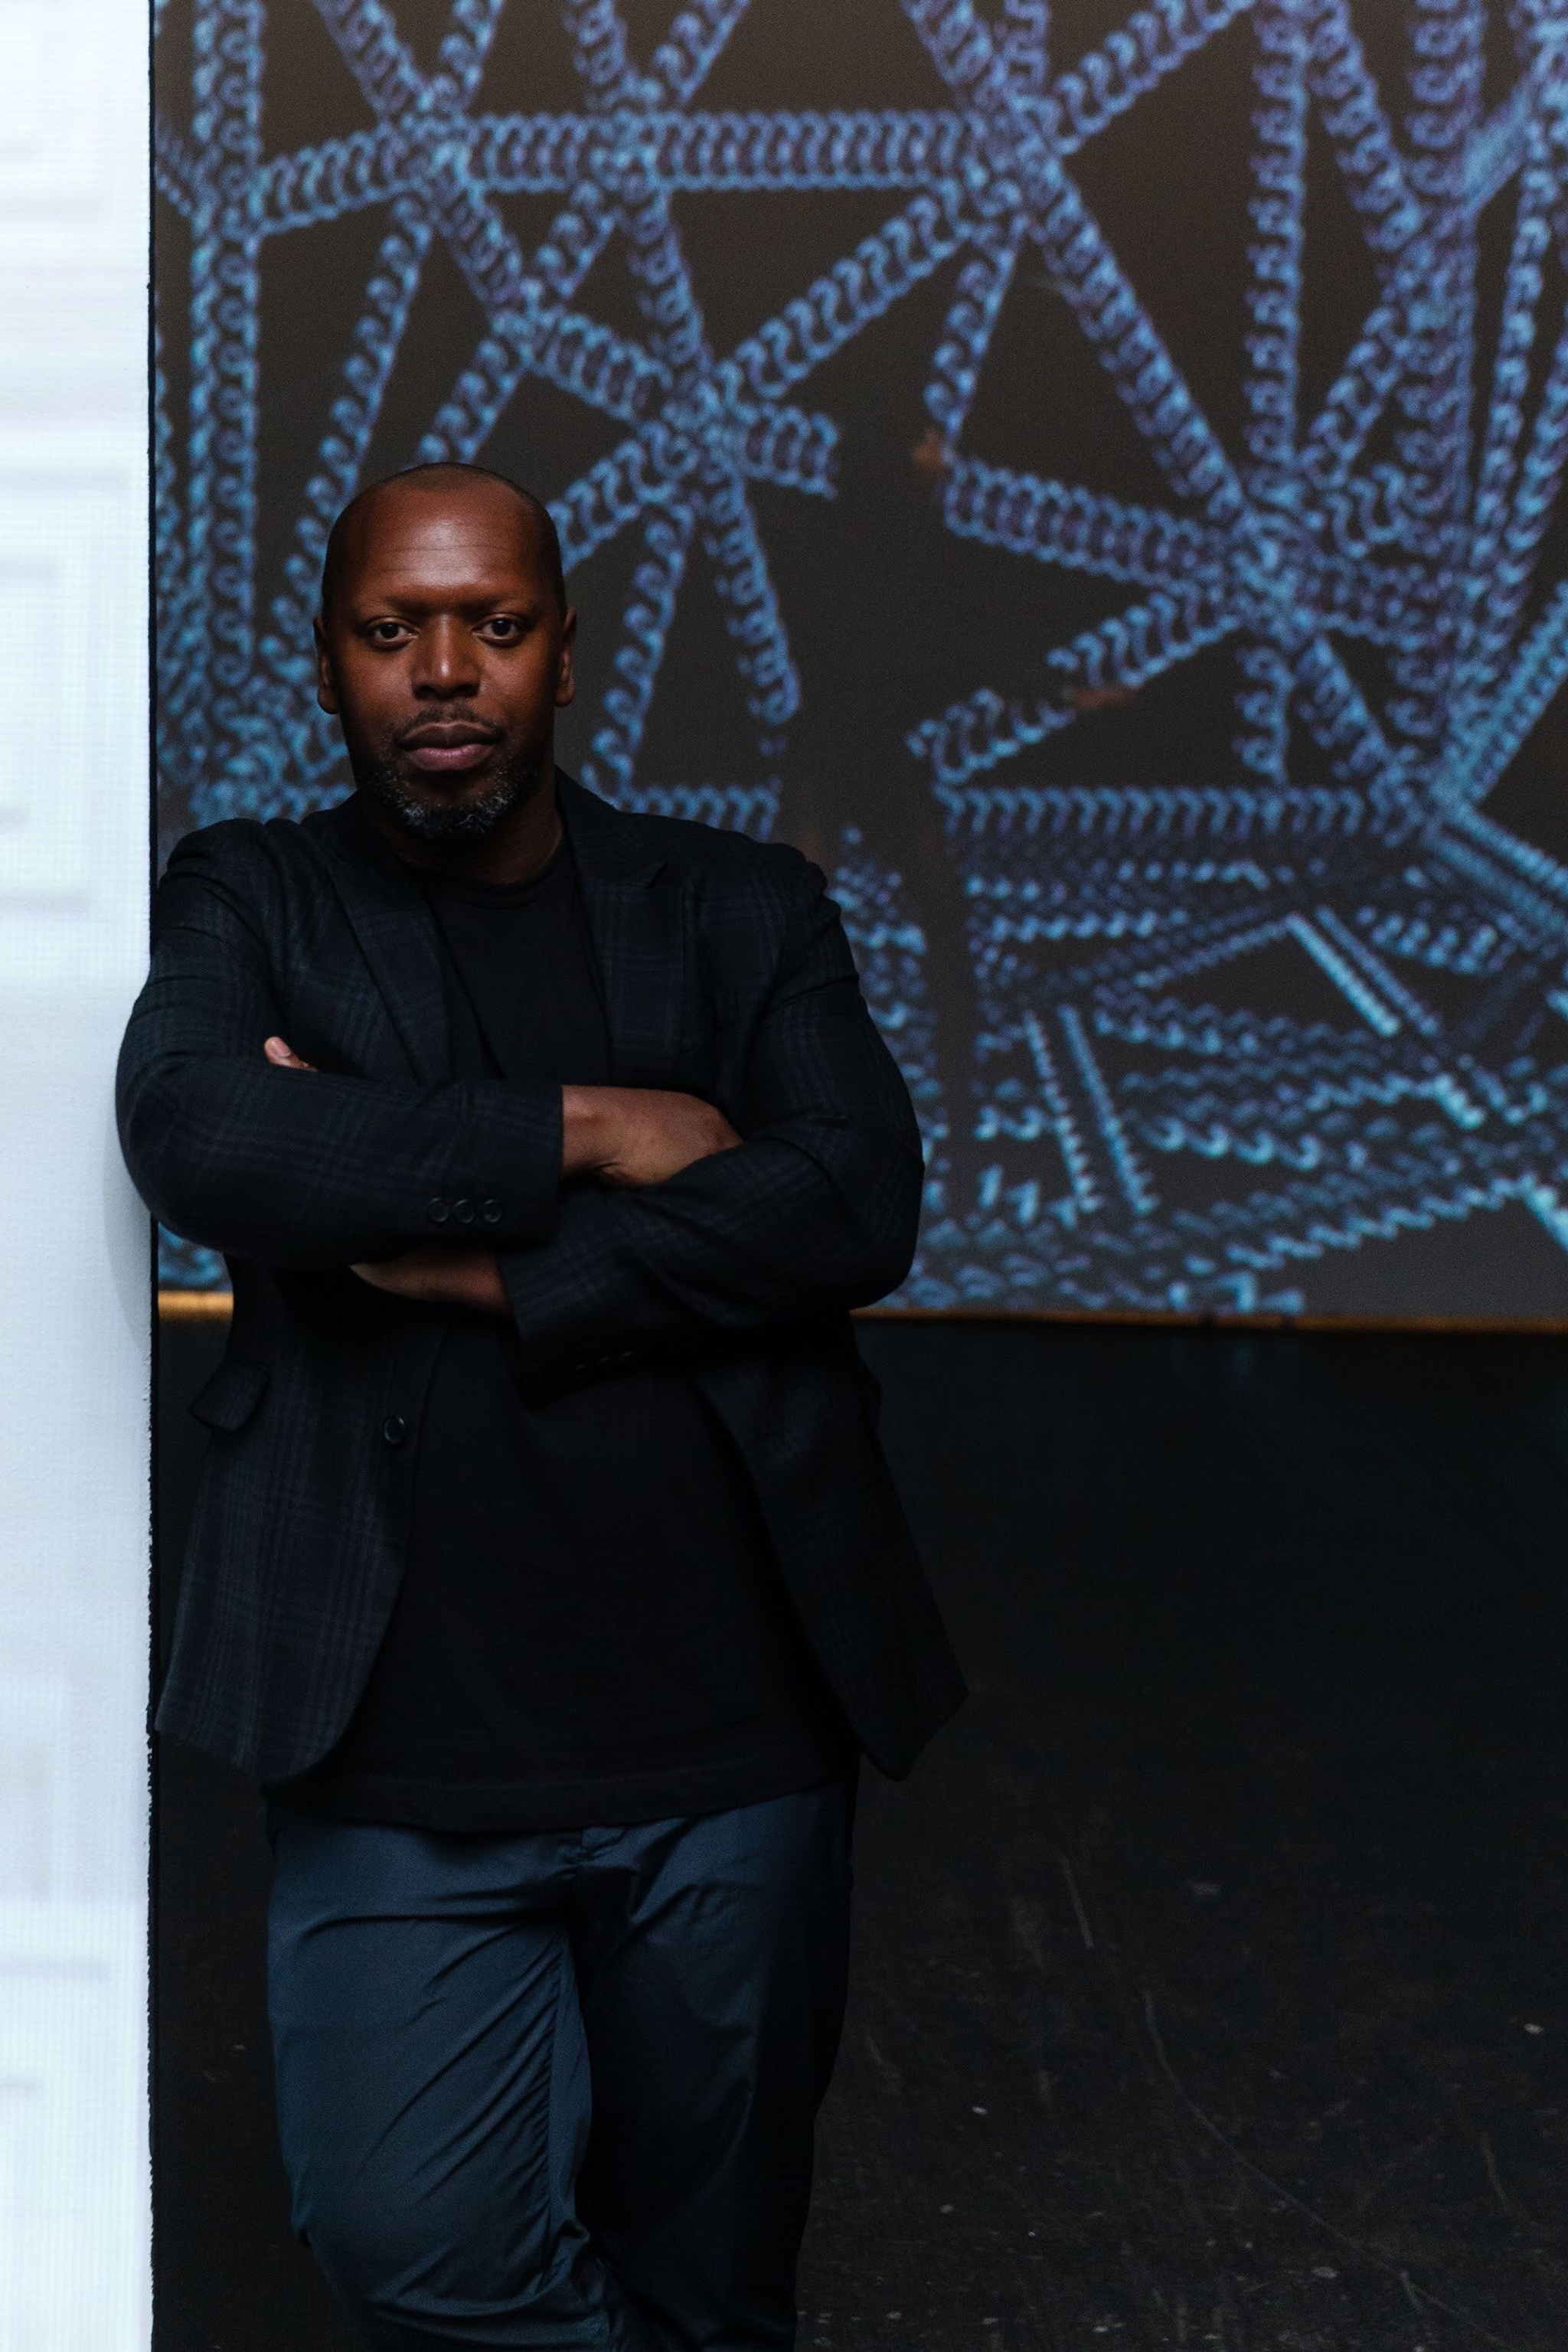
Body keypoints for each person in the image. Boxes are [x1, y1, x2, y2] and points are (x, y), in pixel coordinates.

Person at [119, 461, 965, 2351]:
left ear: (566, 652)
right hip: (399, 1752)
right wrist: (612, 1128)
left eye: (493, 628)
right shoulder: (255, 891)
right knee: (410, 2246)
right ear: (329, 655)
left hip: (733, 1741)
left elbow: (852, 1200)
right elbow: (203, 1129)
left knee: (712, 2280)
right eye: (390, 629)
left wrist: (494, 1263)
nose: (443, 671)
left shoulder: (740, 909)